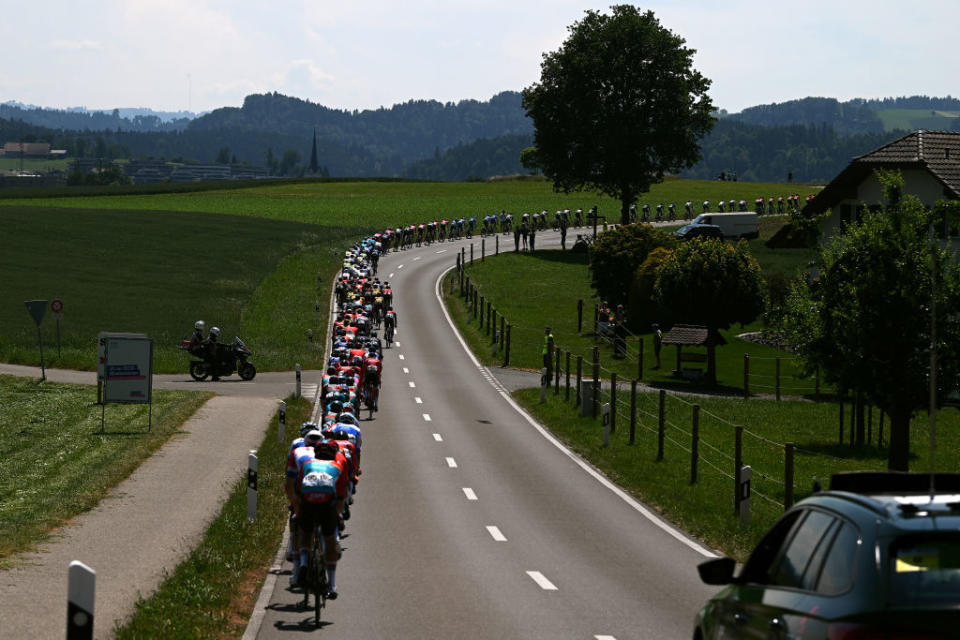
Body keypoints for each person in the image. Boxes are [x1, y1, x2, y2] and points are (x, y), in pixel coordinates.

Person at [295, 438, 348, 599]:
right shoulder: (337, 466)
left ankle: (304, 563)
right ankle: (332, 586)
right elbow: (341, 496)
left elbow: (298, 490)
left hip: (308, 501)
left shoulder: (307, 464)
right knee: (330, 541)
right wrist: (338, 515)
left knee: (305, 534)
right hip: (326, 504)